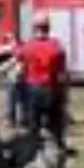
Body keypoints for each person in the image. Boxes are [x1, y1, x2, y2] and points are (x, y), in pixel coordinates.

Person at [16, 13, 68, 148]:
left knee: (34, 126)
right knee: (55, 124)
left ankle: (34, 149)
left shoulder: (28, 47)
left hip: (33, 90)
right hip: (51, 89)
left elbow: (20, 67)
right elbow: (61, 74)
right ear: (48, 28)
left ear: (34, 28)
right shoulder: (56, 46)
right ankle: (57, 148)